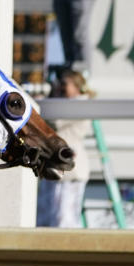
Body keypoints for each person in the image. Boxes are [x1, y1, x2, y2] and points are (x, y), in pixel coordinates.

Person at [36, 69, 93, 228]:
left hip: (70, 171)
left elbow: (55, 120)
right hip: (53, 169)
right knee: (44, 221)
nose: (60, 88)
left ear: (77, 86)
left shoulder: (80, 103)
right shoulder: (63, 102)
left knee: (64, 221)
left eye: (64, 84)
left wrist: (43, 102)